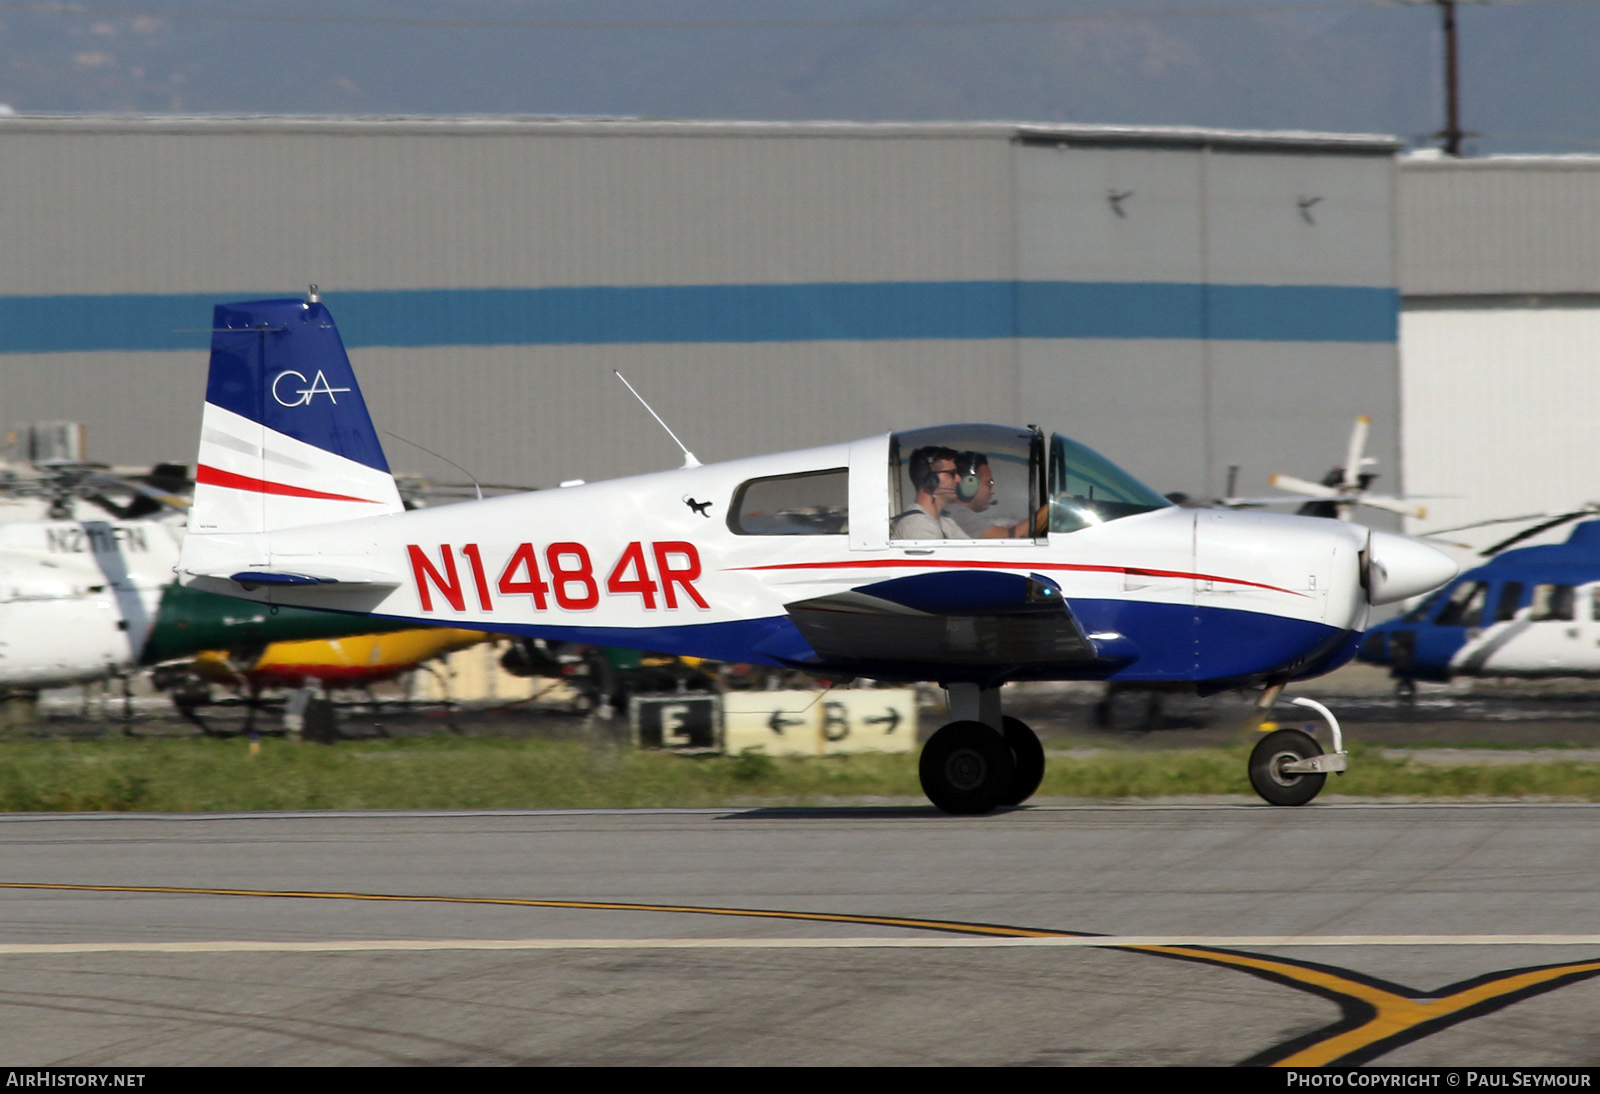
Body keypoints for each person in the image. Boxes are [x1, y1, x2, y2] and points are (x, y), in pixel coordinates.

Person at [890, 446, 972, 539]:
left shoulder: (946, 524)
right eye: (952, 474)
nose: (959, 480)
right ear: (932, 480)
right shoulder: (919, 525)